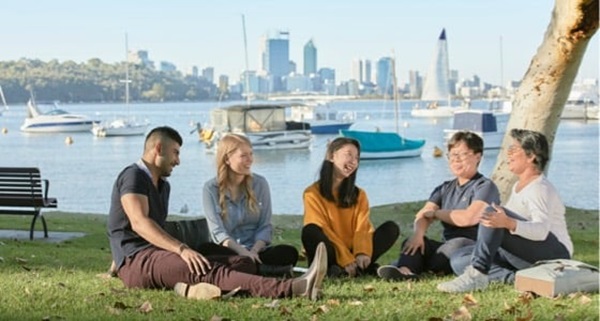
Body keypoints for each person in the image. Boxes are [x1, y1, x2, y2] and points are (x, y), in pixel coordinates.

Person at [107, 126, 327, 300]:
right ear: (158, 149)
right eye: (175, 152)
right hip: (140, 261)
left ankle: (192, 290)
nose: (178, 160)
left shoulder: (163, 185)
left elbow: (134, 227)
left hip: (152, 257)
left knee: (240, 264)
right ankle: (294, 288)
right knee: (206, 270)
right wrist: (181, 250)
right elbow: (139, 223)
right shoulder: (134, 176)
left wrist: (116, 262)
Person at [437, 129, 573, 293]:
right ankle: (517, 280)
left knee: (491, 212)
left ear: (531, 156)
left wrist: (508, 223)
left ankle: (478, 273)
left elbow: (541, 231)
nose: (508, 155)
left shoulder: (539, 188)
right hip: (525, 255)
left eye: (513, 150)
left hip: (555, 256)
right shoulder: (518, 186)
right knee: (460, 258)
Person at [377, 131, 500, 281]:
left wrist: (436, 214)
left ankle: (416, 264)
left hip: (470, 247)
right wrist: (418, 235)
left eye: (462, 154)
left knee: (455, 245)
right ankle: (405, 271)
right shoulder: (444, 188)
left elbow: (469, 218)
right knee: (411, 242)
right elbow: (423, 214)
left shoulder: (485, 186)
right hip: (446, 247)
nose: (456, 160)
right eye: (452, 155)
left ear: (478, 156)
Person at [201, 133, 299, 276]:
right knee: (204, 250)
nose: (250, 160)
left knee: (289, 252)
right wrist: (243, 253)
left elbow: (265, 226)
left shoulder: (260, 184)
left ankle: (246, 269)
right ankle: (264, 270)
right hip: (229, 251)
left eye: (251, 154)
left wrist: (253, 252)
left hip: (258, 251)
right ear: (227, 159)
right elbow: (218, 233)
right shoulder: (210, 189)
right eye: (244, 156)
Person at [301, 137, 400, 278]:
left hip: (354, 249)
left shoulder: (359, 194)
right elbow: (322, 228)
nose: (353, 161)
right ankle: (343, 268)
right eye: (348, 155)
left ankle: (354, 267)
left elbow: (362, 227)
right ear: (331, 156)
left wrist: (362, 253)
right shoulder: (311, 193)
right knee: (310, 230)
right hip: (331, 250)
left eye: (357, 157)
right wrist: (345, 257)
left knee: (391, 228)